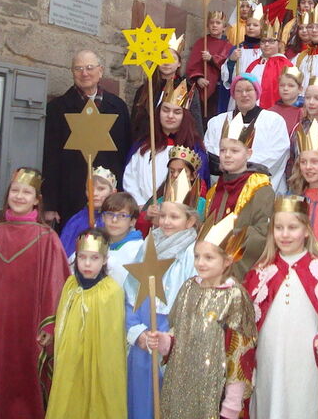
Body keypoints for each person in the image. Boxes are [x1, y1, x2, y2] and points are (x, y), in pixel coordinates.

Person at [0, 168, 69, 419]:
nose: (19, 196)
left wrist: (49, 328)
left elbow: (58, 286)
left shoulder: (47, 239)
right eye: (15, 191)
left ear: (36, 199)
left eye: (26, 192)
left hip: (29, 330)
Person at [243, 195, 318, 419]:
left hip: (308, 369)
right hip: (269, 366)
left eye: (292, 227)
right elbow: (246, 331)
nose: (285, 234)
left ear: (306, 230)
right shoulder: (260, 274)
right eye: (279, 228)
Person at [153, 213, 257, 419]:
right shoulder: (189, 287)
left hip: (213, 395)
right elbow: (179, 332)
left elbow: (240, 352)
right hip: (179, 390)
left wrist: (231, 405)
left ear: (227, 261)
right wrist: (164, 341)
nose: (200, 263)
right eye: (197, 256)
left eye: (209, 257)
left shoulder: (234, 296)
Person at [125, 170, 199, 419]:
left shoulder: (193, 254)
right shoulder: (148, 245)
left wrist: (171, 337)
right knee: (142, 400)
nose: (166, 222)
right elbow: (130, 293)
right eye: (163, 215)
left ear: (189, 222)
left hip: (172, 337)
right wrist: (137, 333)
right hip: (144, 335)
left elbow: (195, 301)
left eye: (174, 217)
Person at [42, 49, 131, 229]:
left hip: (108, 197)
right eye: (78, 68)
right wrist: (50, 204)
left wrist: (121, 195)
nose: (84, 73)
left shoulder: (118, 107)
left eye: (90, 67)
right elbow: (50, 158)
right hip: (70, 195)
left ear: (100, 71)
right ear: (72, 73)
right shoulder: (57, 109)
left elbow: (124, 154)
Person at [45, 228, 127, 419]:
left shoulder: (110, 291)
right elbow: (62, 322)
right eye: (82, 257)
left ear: (105, 260)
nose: (87, 264)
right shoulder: (70, 285)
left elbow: (112, 338)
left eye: (94, 258)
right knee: (70, 395)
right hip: (71, 358)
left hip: (99, 361)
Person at [123, 79, 209, 209]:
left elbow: (198, 185)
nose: (170, 116)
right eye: (166, 110)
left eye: (177, 112)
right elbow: (130, 177)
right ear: (158, 113)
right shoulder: (143, 145)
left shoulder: (194, 149)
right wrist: (141, 205)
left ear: (185, 116)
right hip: (142, 211)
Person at [205, 131, 274, 281]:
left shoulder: (260, 188)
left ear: (248, 153)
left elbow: (263, 232)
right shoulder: (215, 190)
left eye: (235, 151)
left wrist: (227, 238)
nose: (227, 155)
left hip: (239, 268)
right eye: (223, 150)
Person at [204, 74, 290, 192]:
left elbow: (277, 153)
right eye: (239, 91)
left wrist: (239, 167)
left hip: (259, 188)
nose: (244, 94)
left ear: (257, 93)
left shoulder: (274, 121)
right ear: (233, 95)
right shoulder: (216, 122)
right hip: (225, 187)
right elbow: (210, 152)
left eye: (249, 90)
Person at [130, 33, 203, 140]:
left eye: (172, 58)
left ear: (179, 63)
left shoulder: (187, 89)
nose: (167, 62)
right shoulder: (145, 89)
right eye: (163, 58)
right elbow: (135, 123)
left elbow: (195, 123)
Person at [186, 9, 233, 122]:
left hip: (218, 89)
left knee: (214, 117)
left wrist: (212, 59)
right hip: (202, 87)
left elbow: (226, 64)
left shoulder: (228, 46)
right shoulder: (202, 42)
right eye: (212, 23)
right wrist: (198, 78)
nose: (214, 25)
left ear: (224, 27)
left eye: (218, 23)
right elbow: (193, 64)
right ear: (207, 25)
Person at [59, 166, 117, 258]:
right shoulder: (76, 221)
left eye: (101, 189)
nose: (94, 193)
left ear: (113, 192)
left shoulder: (116, 221)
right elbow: (63, 254)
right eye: (90, 188)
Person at [245, 16, 292, 109]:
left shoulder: (285, 65)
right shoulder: (253, 65)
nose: (266, 45)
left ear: (278, 44)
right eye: (263, 41)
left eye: (271, 41)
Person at [101, 192, 143, 287]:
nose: (114, 220)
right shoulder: (96, 245)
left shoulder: (139, 250)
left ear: (132, 221)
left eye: (122, 215)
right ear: (103, 217)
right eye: (110, 214)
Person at [269, 65, 304, 135]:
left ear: (300, 89)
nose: (285, 89)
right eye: (282, 85)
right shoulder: (271, 112)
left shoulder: (304, 112)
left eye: (291, 86)